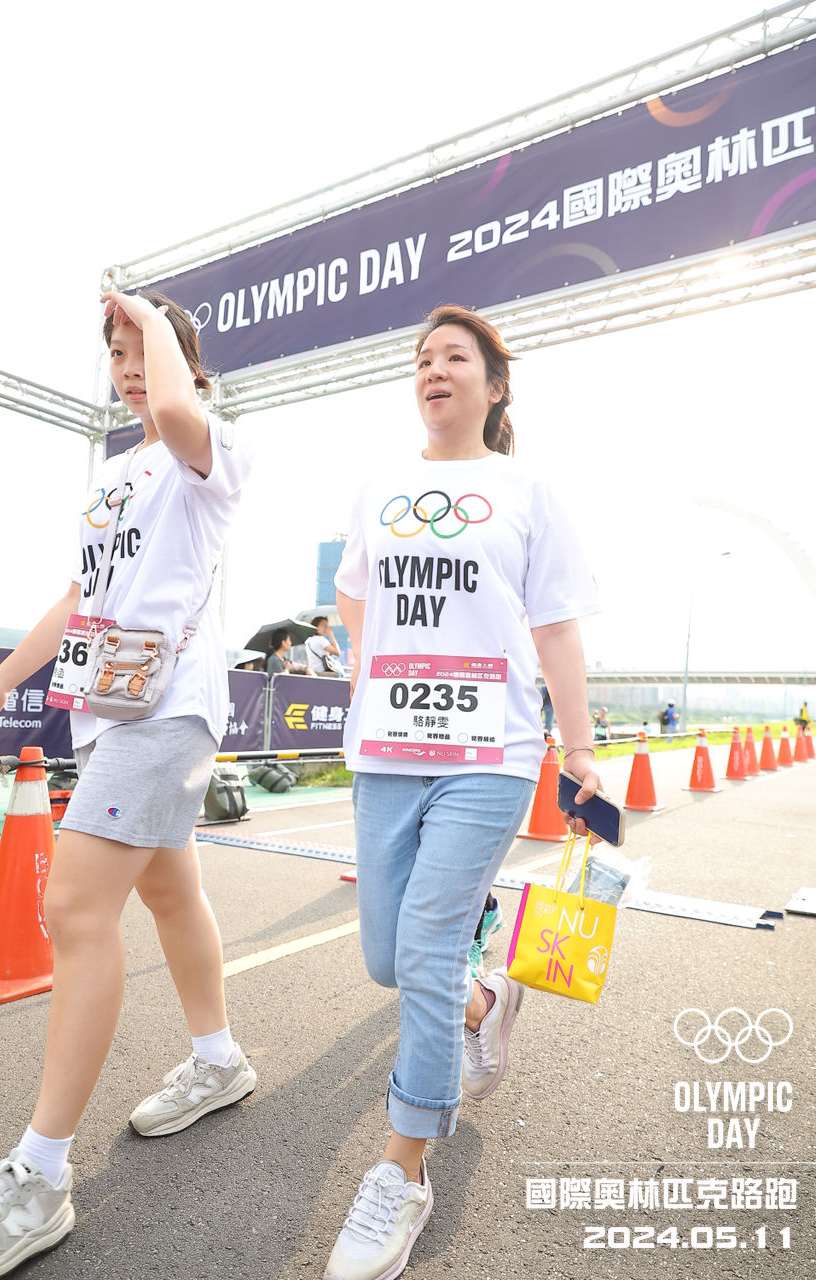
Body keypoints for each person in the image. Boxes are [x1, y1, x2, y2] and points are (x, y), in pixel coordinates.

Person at [0, 289, 256, 1277]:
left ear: (183, 357)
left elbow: (173, 407)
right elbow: (82, 593)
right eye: (116, 352)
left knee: (75, 909)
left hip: (169, 713)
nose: (129, 367)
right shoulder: (115, 475)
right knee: (172, 892)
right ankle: (218, 1060)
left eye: (144, 348)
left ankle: (42, 1174)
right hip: (110, 712)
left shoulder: (210, 446)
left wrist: (153, 317)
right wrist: (0, 683)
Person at [328, 303, 602, 1280]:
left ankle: (401, 1173)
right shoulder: (382, 487)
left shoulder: (526, 490)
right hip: (385, 749)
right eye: (422, 358)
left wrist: (580, 747)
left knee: (424, 943)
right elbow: (351, 590)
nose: (433, 369)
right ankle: (484, 998)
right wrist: (367, 659)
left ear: (493, 384)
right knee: (389, 959)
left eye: (453, 356)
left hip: (489, 752)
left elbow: (556, 623)